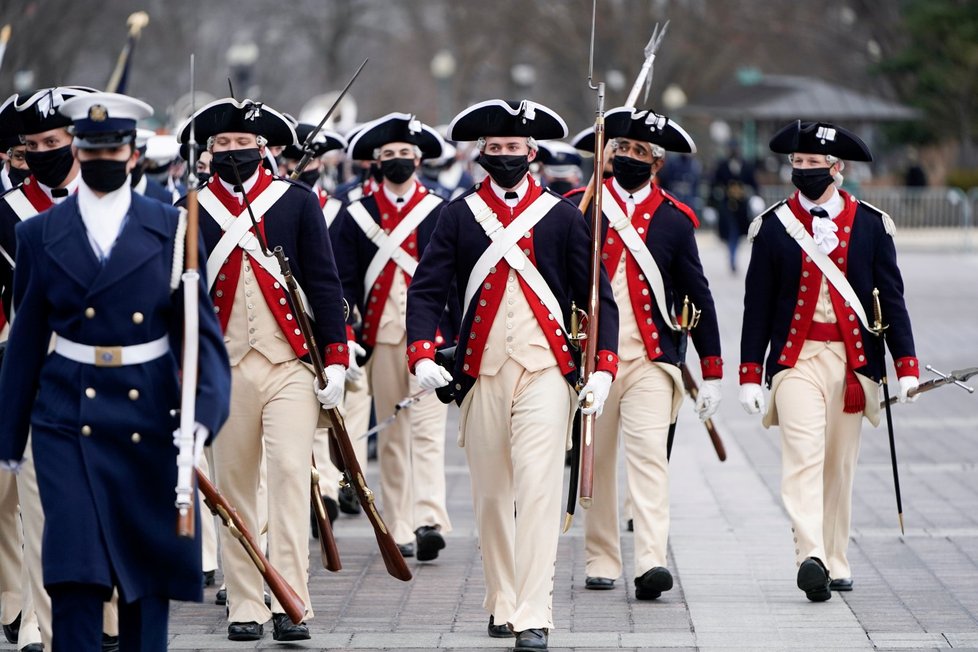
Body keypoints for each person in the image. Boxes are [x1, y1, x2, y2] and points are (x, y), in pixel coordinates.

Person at [0, 91, 231, 651]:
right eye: (90, 146)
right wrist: (9, 439)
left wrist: (200, 420)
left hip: (148, 414)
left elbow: (202, 341)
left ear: (132, 154)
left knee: (144, 581)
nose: (101, 156)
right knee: (74, 572)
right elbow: (26, 343)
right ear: (77, 151)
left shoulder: (174, 228)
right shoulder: (38, 234)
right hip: (66, 416)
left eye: (112, 147)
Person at [406, 98, 619, 652]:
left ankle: (534, 611)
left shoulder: (564, 216)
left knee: (540, 486)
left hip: (547, 369)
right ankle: (502, 598)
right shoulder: (457, 215)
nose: (503, 157)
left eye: (513, 149)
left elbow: (599, 299)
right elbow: (428, 288)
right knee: (492, 495)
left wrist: (602, 369)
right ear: (482, 154)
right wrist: (422, 353)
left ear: (532, 154)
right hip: (480, 371)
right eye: (493, 149)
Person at [178, 97, 349, 642]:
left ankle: (290, 597)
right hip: (222, 366)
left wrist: (338, 358)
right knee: (234, 487)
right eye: (222, 145)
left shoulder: (295, 203)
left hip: (291, 365)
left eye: (242, 144)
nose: (233, 152)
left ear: (264, 149)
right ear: (208, 152)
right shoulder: (190, 208)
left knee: (291, 478)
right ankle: (245, 604)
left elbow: (324, 284)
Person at [739, 120, 920, 602]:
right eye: (797, 164)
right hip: (795, 360)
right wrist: (749, 374)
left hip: (852, 364)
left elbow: (893, 300)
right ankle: (810, 556)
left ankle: (836, 557)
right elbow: (757, 304)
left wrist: (906, 366)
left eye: (813, 165)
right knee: (803, 456)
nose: (803, 171)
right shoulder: (774, 226)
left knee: (839, 464)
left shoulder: (870, 224)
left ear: (837, 169)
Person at [572, 107, 723, 601]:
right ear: (610, 154)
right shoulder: (583, 206)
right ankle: (601, 557)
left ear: (657, 164)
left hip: (652, 359)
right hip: (596, 361)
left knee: (650, 460)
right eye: (623, 149)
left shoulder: (675, 220)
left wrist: (714, 369)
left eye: (640, 152)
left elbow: (698, 293)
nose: (629, 157)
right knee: (598, 457)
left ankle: (652, 561)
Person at [335, 112, 453, 559]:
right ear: (375, 162)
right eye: (390, 155)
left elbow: (456, 281)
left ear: (419, 159)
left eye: (405, 154)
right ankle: (399, 523)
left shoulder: (441, 210)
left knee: (427, 431)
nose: (398, 161)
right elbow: (343, 280)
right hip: (381, 338)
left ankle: (429, 519)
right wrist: (348, 331)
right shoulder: (356, 216)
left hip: (433, 341)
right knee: (392, 433)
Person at [279, 123, 369, 521]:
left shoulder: (339, 210)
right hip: (292, 330)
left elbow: (340, 276)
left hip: (337, 326)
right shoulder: (279, 204)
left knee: (340, 419)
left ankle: (343, 485)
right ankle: (324, 493)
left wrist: (345, 334)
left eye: (311, 158)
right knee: (304, 426)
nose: (304, 165)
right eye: (296, 159)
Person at [710, 141, 757, 273]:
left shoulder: (746, 165)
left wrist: (755, 198)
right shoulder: (722, 165)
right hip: (727, 204)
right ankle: (732, 259)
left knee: (739, 234)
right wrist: (712, 204)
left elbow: (754, 184)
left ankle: (733, 256)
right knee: (731, 232)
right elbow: (713, 184)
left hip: (742, 206)